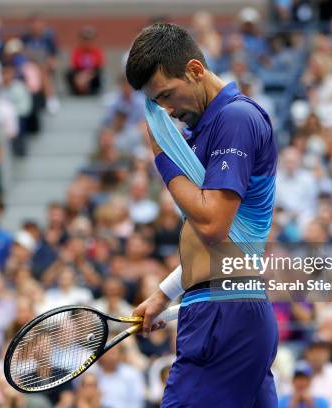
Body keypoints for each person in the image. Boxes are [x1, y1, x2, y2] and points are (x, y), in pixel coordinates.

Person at [126, 23, 278, 407]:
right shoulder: (207, 128)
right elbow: (221, 246)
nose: (168, 111)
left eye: (167, 95)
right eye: (156, 104)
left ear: (195, 70)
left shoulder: (236, 119)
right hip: (227, 309)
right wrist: (164, 294)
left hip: (223, 316)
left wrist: (162, 154)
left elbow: (212, 225)